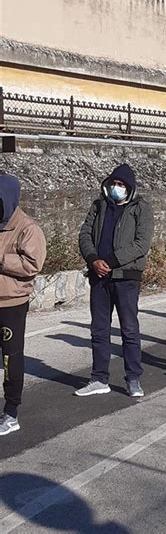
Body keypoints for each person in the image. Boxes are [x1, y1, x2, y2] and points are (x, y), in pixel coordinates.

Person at [76, 164, 154, 398]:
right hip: (99, 277)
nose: (116, 188)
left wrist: (109, 261)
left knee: (129, 329)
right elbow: (84, 234)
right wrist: (93, 259)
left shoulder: (141, 208)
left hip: (125, 278)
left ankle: (133, 378)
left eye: (121, 185)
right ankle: (99, 378)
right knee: (99, 329)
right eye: (114, 184)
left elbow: (141, 244)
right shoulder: (99, 206)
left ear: (129, 188)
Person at [0, 174, 46, 436]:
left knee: (11, 358)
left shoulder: (28, 228)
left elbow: (32, 265)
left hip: (12, 304)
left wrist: (1, 259)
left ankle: (11, 412)